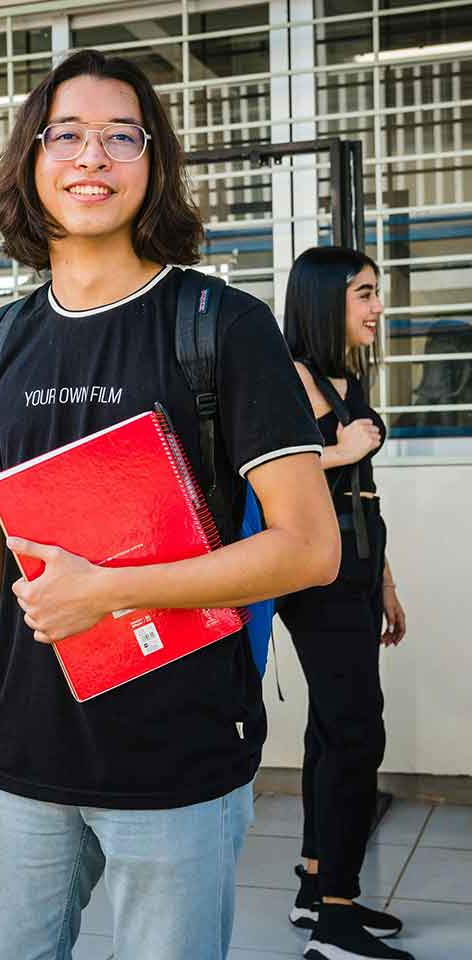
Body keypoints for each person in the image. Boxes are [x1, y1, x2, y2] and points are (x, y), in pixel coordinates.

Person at [0, 50, 342, 960]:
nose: (92, 158)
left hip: (180, 758)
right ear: (29, 161)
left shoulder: (220, 326)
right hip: (24, 761)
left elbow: (310, 549)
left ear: (153, 166)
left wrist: (114, 591)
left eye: (122, 137)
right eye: (67, 134)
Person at [280, 247, 412, 960]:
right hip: (320, 576)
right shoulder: (292, 380)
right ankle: (336, 922)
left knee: (331, 731)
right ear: (327, 300)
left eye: (376, 293)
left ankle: (316, 888)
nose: (376, 307)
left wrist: (386, 584)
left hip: (360, 570)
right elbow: (271, 477)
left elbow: (362, 500)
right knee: (358, 733)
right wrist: (339, 449)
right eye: (364, 293)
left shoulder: (344, 378)